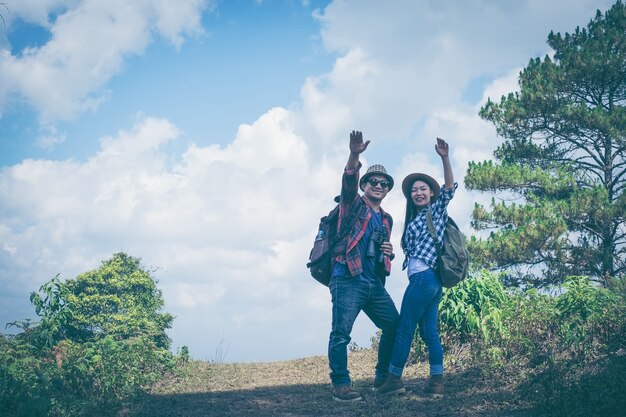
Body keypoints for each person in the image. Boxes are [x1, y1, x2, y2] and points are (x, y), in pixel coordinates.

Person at [377, 137, 456, 398]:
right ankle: (436, 382)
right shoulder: (415, 218)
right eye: (414, 190)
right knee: (429, 331)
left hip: (423, 279)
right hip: (431, 282)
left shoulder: (436, 211)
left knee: (404, 327)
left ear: (431, 193)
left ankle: (394, 378)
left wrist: (444, 157)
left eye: (423, 188)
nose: (418, 192)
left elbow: (448, 189)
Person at [327, 130, 400, 402]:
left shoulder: (387, 219)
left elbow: (382, 255)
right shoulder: (353, 205)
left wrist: (388, 253)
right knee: (341, 333)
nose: (379, 185)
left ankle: (382, 377)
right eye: (373, 181)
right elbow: (347, 181)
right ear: (364, 185)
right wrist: (355, 154)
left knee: (394, 325)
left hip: (373, 282)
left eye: (384, 183)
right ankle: (341, 385)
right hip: (347, 275)